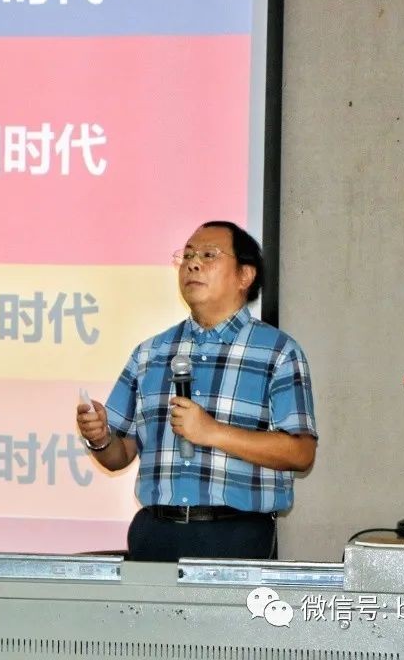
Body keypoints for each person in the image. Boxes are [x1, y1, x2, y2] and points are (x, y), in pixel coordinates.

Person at [76, 221, 317, 562]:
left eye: (208, 255)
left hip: (236, 535)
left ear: (245, 276)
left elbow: (301, 452)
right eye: (187, 256)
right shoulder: (151, 353)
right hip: (155, 532)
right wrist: (100, 438)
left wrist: (212, 432)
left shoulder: (277, 352)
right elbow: (120, 454)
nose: (192, 264)